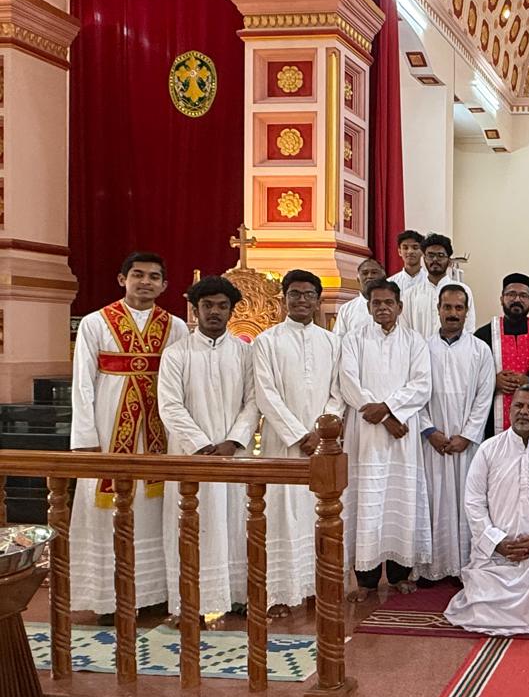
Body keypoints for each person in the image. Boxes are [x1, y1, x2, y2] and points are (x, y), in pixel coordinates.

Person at [70, 252, 183, 616]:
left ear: (165, 285)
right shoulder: (95, 322)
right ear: (122, 279)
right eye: (138, 275)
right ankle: (106, 596)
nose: (145, 282)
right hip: (107, 427)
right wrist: (85, 437)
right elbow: (83, 383)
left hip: (159, 430)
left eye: (154, 277)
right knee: (107, 507)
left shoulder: (176, 327)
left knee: (156, 506)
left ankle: (155, 593)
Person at [158, 276, 259, 619]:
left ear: (232, 310)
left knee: (235, 522)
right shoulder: (176, 354)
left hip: (233, 454)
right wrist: (201, 445)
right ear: (195, 309)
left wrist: (232, 441)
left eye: (222, 306)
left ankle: (236, 596)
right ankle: (189, 602)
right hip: (191, 455)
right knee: (191, 525)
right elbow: (170, 406)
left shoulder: (245, 352)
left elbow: (253, 401)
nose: (214, 312)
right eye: (207, 306)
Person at [444, 385, 529, 635]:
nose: (524, 412)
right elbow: (474, 502)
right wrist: (496, 540)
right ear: (509, 410)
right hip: (494, 550)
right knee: (479, 592)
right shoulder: (489, 449)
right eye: (519, 406)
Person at [252, 269, 343, 613]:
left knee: (318, 514)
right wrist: (298, 434)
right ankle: (279, 594)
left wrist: (322, 429)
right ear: (284, 298)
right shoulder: (267, 341)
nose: (301, 301)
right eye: (294, 294)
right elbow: (265, 394)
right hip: (283, 443)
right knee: (281, 517)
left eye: (308, 295)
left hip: (322, 444)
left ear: (318, 300)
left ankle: (314, 589)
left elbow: (338, 391)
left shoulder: (332, 341)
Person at [339, 279, 434, 599]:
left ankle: (397, 575)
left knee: (400, 499)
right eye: (376, 303)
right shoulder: (353, 340)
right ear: (367, 307)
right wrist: (383, 415)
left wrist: (392, 412)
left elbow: (422, 385)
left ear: (399, 306)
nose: (382, 307)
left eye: (388, 302)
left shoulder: (415, 341)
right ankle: (365, 582)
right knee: (365, 501)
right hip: (365, 433)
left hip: (401, 435)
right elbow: (348, 382)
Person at [421, 285, 495, 581]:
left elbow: (484, 395)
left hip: (467, 444)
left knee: (468, 501)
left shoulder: (480, 350)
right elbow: (414, 393)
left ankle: (464, 565)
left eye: (458, 308)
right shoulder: (422, 348)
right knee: (433, 499)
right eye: (447, 307)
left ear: (467, 311)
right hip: (432, 442)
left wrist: (467, 435)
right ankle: (431, 567)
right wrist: (429, 430)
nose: (452, 314)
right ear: (438, 309)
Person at [473, 272, 529, 438]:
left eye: (523, 295)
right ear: (501, 298)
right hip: (492, 420)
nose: (517, 299)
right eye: (511, 294)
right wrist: (493, 382)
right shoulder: (483, 336)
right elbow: (470, 377)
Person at [404, 233, 476, 338]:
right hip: (419, 353)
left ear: (449, 260)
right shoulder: (410, 294)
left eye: (440, 255)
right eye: (430, 255)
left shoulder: (463, 291)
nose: (435, 260)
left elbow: (469, 329)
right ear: (424, 259)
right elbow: (406, 331)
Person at [333, 257, 387, 336]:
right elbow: (338, 340)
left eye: (374, 272)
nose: (369, 276)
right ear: (358, 279)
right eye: (365, 273)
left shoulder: (393, 307)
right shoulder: (346, 309)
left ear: (383, 278)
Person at [388, 229, 428, 297]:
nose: (410, 251)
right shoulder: (390, 283)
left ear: (423, 251)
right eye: (405, 248)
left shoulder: (430, 281)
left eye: (415, 247)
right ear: (399, 252)